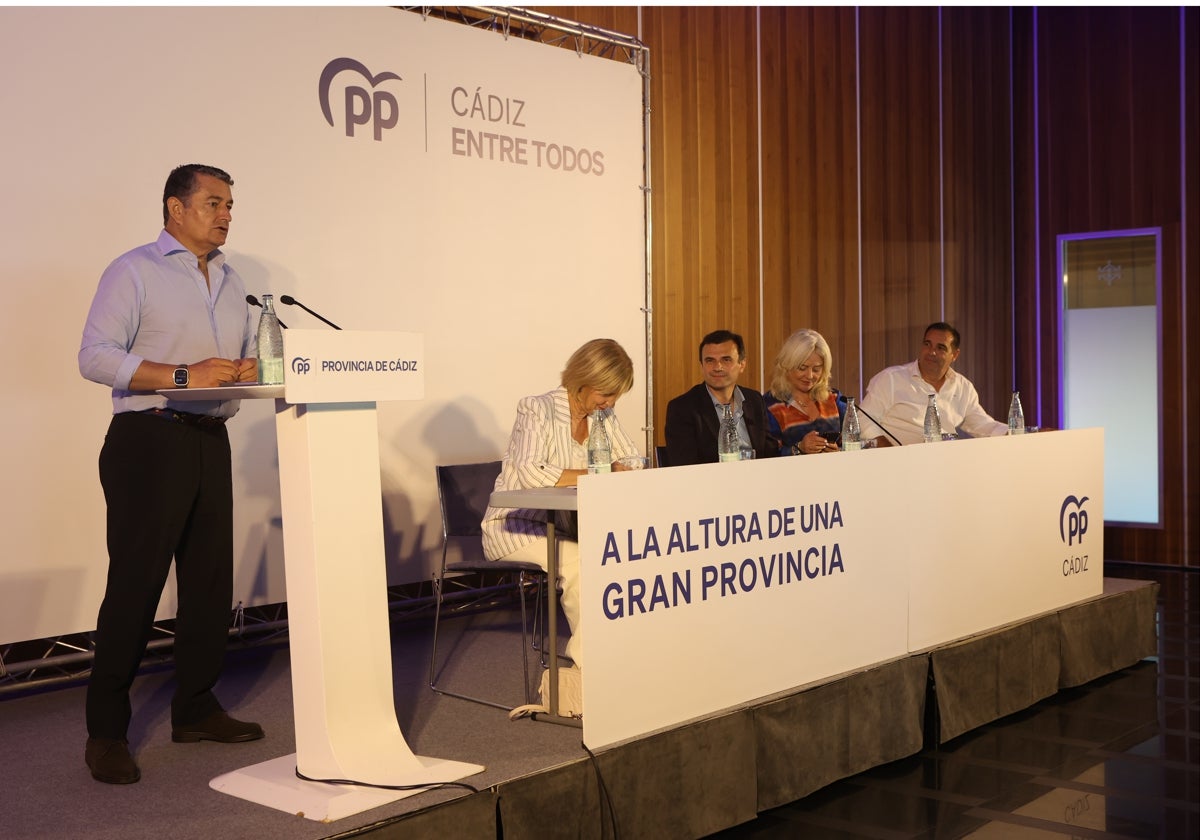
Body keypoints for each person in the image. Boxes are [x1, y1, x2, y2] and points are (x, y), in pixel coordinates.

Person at [77, 164, 264, 785]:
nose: (227, 213)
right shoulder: (134, 270)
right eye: (214, 202)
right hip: (148, 440)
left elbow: (224, 369)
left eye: (230, 204)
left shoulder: (235, 283)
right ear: (175, 208)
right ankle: (106, 730)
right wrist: (185, 375)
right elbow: (95, 356)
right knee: (136, 583)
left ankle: (196, 708)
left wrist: (242, 372)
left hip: (212, 439)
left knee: (209, 584)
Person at [481, 338, 642, 670]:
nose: (610, 403)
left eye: (615, 396)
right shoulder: (536, 409)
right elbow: (528, 472)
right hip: (516, 525)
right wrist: (599, 471)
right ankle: (590, 673)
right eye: (606, 393)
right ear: (582, 380)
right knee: (579, 564)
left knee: (626, 555)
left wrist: (620, 468)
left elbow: (633, 459)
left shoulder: (603, 416)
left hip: (570, 525)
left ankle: (623, 654)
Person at [858, 321, 1008, 446]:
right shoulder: (891, 379)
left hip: (944, 464)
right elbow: (864, 421)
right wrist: (893, 453)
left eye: (940, 348)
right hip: (896, 466)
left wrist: (1016, 433)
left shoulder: (963, 387)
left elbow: (982, 425)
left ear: (955, 355)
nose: (932, 352)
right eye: (927, 344)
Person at [664, 329, 776, 466]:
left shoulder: (754, 400)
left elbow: (771, 454)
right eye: (710, 361)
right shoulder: (682, 408)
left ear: (742, 364)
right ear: (702, 366)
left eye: (726, 360)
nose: (717, 367)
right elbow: (684, 467)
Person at [764, 328, 847, 455]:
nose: (809, 376)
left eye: (816, 369)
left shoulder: (836, 399)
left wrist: (839, 451)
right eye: (802, 368)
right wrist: (798, 448)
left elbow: (856, 445)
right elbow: (766, 455)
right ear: (786, 366)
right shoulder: (769, 405)